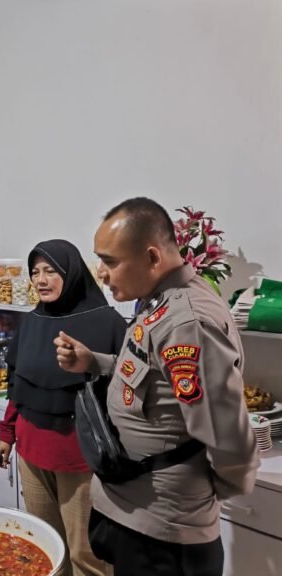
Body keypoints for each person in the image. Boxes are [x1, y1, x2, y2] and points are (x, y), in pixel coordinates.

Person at [54, 198, 259, 576]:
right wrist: (94, 362)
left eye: (110, 261)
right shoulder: (157, 302)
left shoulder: (189, 321)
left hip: (165, 531)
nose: (100, 272)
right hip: (134, 512)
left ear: (152, 257)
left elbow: (228, 435)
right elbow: (152, 377)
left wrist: (198, 495)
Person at [0, 240, 126, 576]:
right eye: (35, 272)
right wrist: (6, 434)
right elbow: (16, 383)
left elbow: (126, 391)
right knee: (44, 548)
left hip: (81, 457)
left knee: (86, 553)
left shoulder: (107, 322)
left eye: (50, 271)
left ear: (72, 272)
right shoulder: (33, 319)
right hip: (32, 452)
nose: (41, 279)